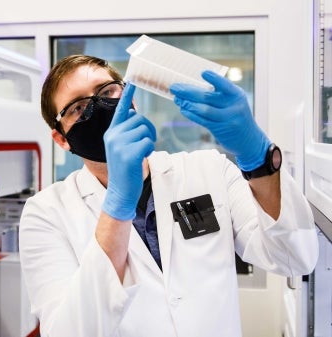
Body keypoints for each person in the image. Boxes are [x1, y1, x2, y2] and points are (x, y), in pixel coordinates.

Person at [18, 55, 318, 337]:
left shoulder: (208, 170)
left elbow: (295, 258)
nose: (98, 107)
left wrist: (258, 158)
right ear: (61, 139)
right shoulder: (45, 213)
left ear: (130, 99)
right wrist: (117, 207)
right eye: (78, 108)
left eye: (107, 91)